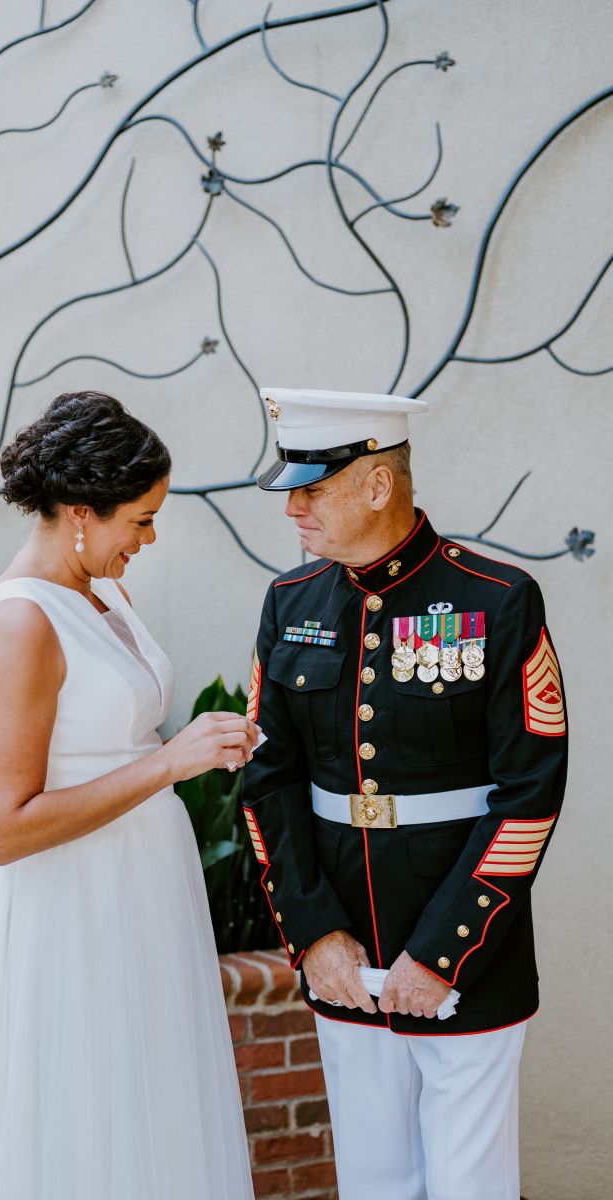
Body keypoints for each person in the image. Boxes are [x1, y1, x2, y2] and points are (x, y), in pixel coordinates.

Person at [0, 391, 258, 1200]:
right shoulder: (21, 623)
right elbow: (4, 827)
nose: (149, 539)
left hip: (139, 897)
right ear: (81, 511)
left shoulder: (103, 592)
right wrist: (169, 766)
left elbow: (109, 736)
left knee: (146, 1109)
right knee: (74, 1118)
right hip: (67, 912)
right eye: (141, 518)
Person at [241, 388, 568, 1200]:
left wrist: (443, 950)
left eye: (311, 488)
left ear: (377, 485)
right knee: (374, 1182)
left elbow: (529, 792)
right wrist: (315, 935)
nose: (293, 509)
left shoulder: (495, 598)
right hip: (345, 948)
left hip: (467, 952)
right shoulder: (291, 603)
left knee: (469, 1184)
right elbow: (266, 781)